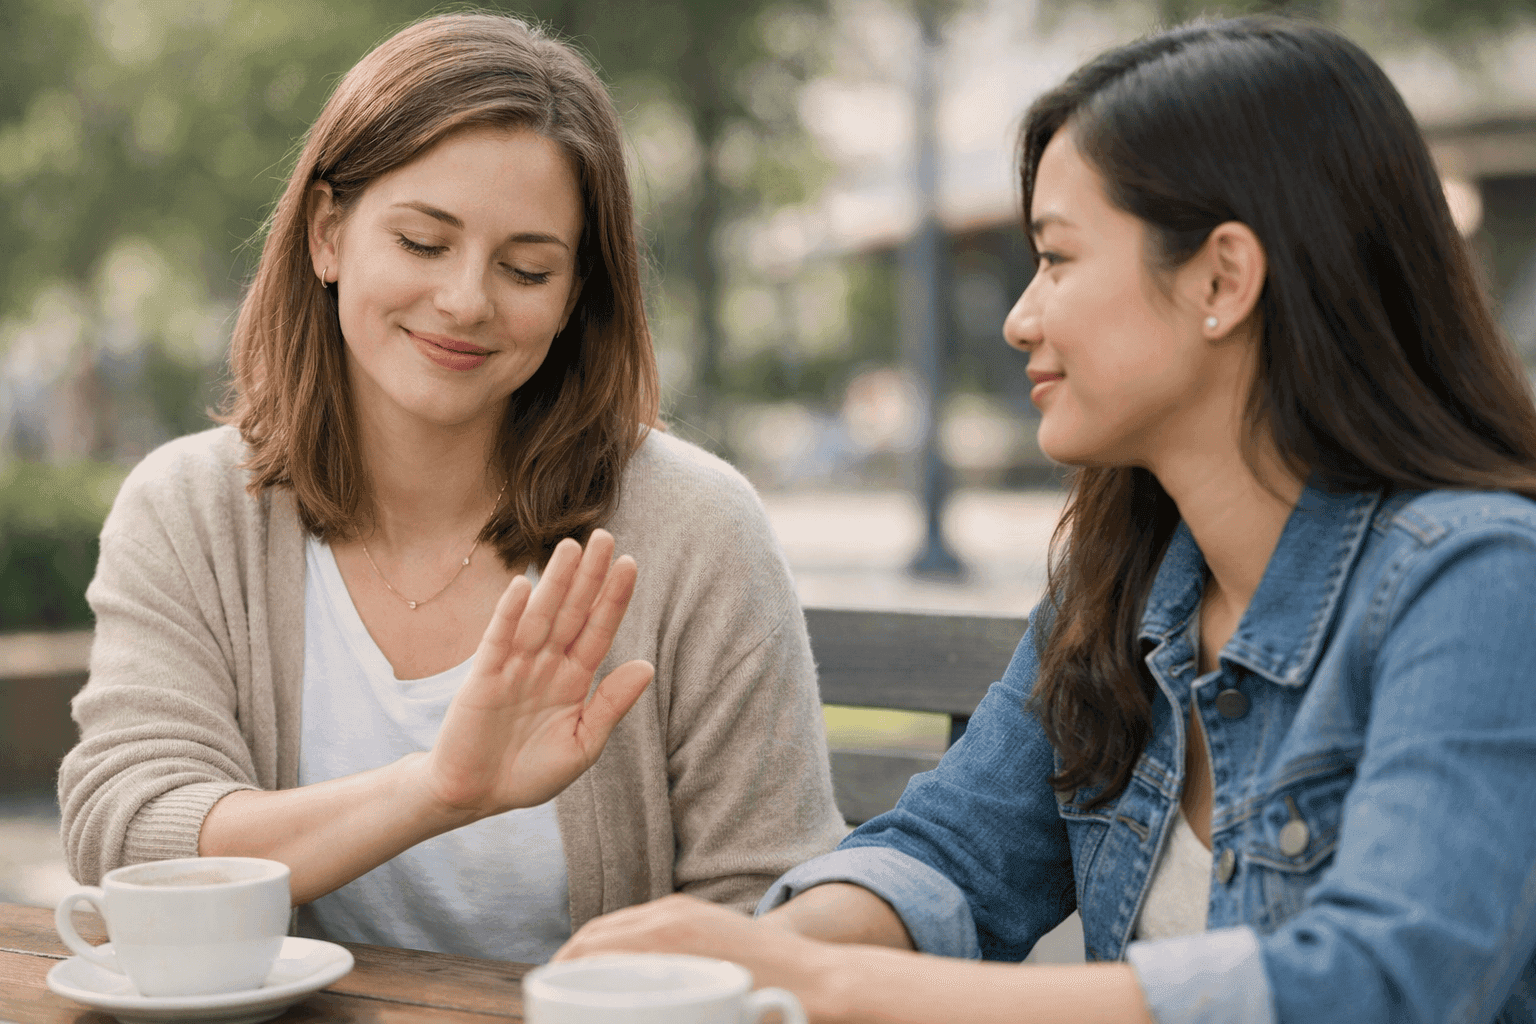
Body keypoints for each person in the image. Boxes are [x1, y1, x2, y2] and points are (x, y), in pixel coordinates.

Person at [554, 16, 1536, 1023]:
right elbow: (954, 855)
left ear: (1222, 279)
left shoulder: (1477, 580)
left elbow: (1384, 980)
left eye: (1058, 259)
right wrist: (747, 956)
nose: (1021, 318)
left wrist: (830, 983)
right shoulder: (1127, 583)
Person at [57, 12, 845, 965]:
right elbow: (128, 833)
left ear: (574, 296)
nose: (467, 300)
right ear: (327, 235)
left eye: (526, 268)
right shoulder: (188, 510)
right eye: (425, 243)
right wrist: (437, 789)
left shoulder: (693, 527)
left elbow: (766, 900)